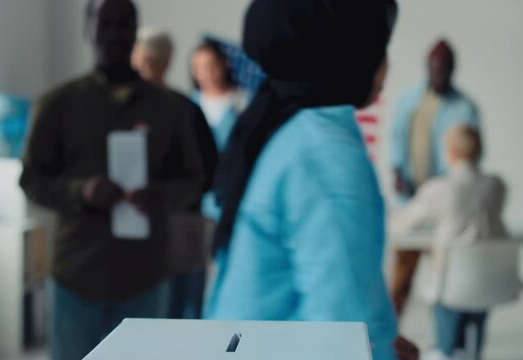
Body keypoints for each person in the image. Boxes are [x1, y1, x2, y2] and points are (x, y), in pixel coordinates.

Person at [205, 0, 418, 359]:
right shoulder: (324, 156)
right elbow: (346, 333)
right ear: (349, 56)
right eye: (379, 47)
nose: (386, 66)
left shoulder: (289, 128)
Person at [19, 0, 204, 358]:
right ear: (88, 29)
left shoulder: (169, 109)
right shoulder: (59, 104)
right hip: (78, 273)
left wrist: (161, 196)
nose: (115, 34)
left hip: (145, 274)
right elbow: (31, 179)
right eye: (105, 24)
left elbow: (195, 180)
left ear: (136, 30)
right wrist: (81, 191)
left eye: (124, 24)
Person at [391, 125, 508, 359]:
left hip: (451, 290)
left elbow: (400, 225)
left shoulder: (439, 189)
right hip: (487, 284)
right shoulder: (497, 186)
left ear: (450, 152)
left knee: (447, 349)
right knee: (472, 345)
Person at [390, 40, 482, 316]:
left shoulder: (465, 107)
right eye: (434, 69)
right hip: (413, 199)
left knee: (448, 282)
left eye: (443, 70)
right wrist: (397, 171)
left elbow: (469, 154)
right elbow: (396, 140)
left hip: (446, 204)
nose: (438, 75)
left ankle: (448, 340)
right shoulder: (409, 100)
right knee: (401, 276)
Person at [132, 27, 216, 319]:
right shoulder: (126, 110)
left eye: (151, 62)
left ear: (166, 63)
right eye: (140, 61)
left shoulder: (186, 111)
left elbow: (208, 171)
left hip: (182, 225)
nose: (144, 70)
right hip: (136, 223)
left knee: (183, 313)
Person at [191, 40, 252, 221]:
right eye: (201, 68)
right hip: (200, 192)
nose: (208, 74)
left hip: (234, 189)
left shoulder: (243, 102)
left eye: (212, 66)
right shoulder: (188, 105)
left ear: (225, 64)